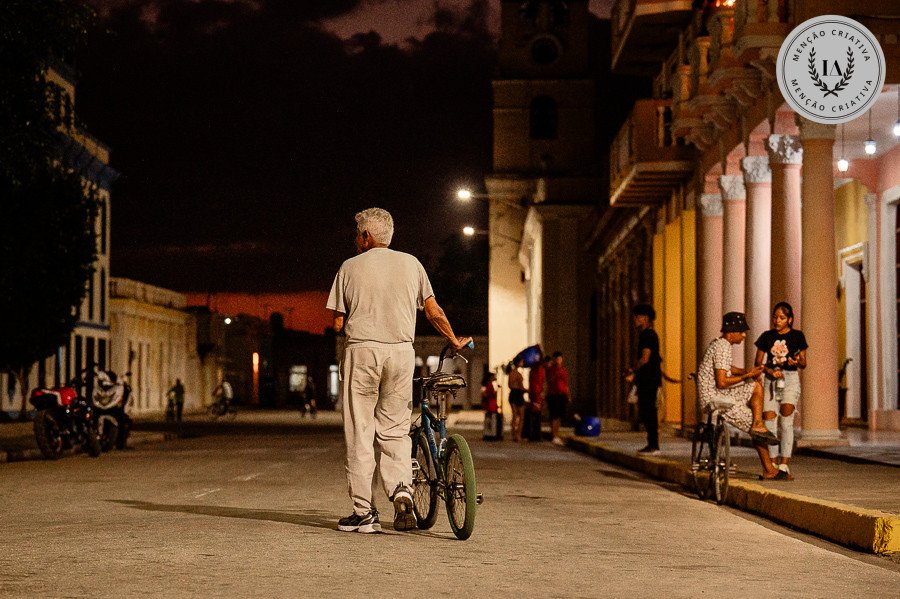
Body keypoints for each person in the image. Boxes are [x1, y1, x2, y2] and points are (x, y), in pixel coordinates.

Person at [327, 207, 470, 533]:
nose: (356, 240)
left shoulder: (349, 267)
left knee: (360, 432)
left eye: (357, 234)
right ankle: (402, 492)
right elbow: (433, 311)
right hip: (402, 353)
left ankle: (364, 512)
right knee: (395, 429)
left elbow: (337, 322)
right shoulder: (412, 264)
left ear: (366, 236)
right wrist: (453, 340)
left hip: (363, 351)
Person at [698, 312, 782, 479]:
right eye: (741, 331)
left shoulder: (720, 343)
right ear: (731, 332)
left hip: (717, 394)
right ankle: (768, 467)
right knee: (753, 423)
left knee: (755, 385)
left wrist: (747, 372)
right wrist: (747, 375)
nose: (744, 335)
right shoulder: (723, 347)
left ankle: (758, 423)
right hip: (716, 398)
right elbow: (722, 382)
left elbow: (726, 368)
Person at [754, 302, 807, 480]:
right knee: (769, 421)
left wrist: (796, 361)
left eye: (782, 318)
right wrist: (769, 370)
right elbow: (758, 363)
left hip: (789, 379)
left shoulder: (798, 336)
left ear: (789, 319)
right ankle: (772, 464)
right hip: (771, 380)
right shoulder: (766, 337)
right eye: (775, 317)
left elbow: (803, 363)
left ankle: (784, 464)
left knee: (786, 422)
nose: (777, 320)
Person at [626, 304, 663, 454]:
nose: (634, 319)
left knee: (648, 411)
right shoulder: (648, 334)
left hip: (648, 379)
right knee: (647, 411)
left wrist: (633, 369)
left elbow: (645, 358)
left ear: (645, 318)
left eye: (637, 316)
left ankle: (653, 445)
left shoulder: (648, 335)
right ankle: (652, 444)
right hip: (648, 378)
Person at [546, 351, 570, 445]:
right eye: (556, 359)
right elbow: (548, 380)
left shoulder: (563, 370)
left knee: (559, 416)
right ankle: (554, 435)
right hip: (553, 394)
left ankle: (556, 434)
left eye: (560, 359)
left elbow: (566, 384)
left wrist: (568, 395)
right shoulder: (551, 369)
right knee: (554, 416)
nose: (558, 360)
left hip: (561, 395)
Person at [524, 353, 547, 442]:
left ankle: (533, 434)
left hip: (535, 395)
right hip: (536, 395)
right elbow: (541, 382)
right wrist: (541, 392)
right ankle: (535, 435)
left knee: (535, 415)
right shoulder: (538, 370)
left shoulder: (533, 370)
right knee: (536, 416)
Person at [506, 357, 527, 442]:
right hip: (518, 394)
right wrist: (527, 390)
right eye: (522, 362)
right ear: (518, 363)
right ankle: (518, 435)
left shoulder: (511, 373)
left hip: (512, 394)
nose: (523, 363)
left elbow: (510, 385)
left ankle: (513, 434)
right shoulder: (518, 374)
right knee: (521, 417)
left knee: (514, 416)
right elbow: (521, 387)